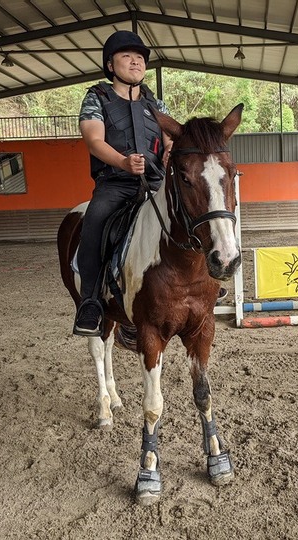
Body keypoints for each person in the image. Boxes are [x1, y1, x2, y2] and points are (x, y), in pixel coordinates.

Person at [73, 30, 171, 336]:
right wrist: (123, 162)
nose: (136, 62)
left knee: (189, 210)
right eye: (127, 56)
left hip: (154, 183)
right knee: (95, 219)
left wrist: (170, 151)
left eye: (140, 58)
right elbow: (93, 140)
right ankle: (90, 301)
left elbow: (171, 139)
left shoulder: (155, 103)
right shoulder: (96, 97)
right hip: (115, 184)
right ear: (110, 65)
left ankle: (205, 279)